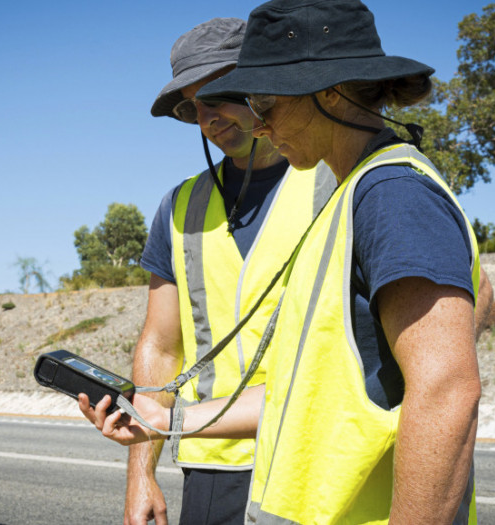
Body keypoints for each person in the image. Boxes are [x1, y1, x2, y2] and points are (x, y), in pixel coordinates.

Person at [84, 5, 494, 524]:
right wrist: (165, 420)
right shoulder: (349, 195)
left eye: (262, 100)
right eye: (195, 109)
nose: (253, 119)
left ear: (327, 91)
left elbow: (445, 389)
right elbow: (307, 387)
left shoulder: (388, 193)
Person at [125, 17, 336, 525]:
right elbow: (160, 345)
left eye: (218, 96)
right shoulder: (180, 206)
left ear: (265, 84)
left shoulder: (338, 178)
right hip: (212, 461)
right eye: (193, 108)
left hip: (319, 456)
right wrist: (140, 475)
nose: (207, 119)